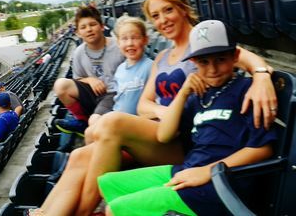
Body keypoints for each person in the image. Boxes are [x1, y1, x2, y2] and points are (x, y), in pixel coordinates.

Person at [32, 0, 279, 216]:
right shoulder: (162, 56)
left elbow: (250, 60)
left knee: (111, 123)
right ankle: (47, 212)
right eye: (156, 16)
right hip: (167, 127)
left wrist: (261, 78)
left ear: (183, 8)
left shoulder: (207, 42)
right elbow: (144, 104)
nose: (163, 20)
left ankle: (84, 213)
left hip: (187, 139)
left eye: (168, 10)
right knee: (80, 156)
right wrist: (169, 109)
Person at [98, 20, 278, 215]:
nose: (212, 69)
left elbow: (262, 149)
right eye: (204, 62)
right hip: (189, 169)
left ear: (234, 56)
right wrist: (183, 92)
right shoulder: (198, 95)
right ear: (193, 63)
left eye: (220, 59)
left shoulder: (248, 91)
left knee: (114, 210)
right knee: (108, 183)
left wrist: (208, 171)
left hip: (221, 184)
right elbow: (164, 135)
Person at [53, 6, 125, 135]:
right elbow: (78, 78)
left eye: (93, 24)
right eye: (83, 27)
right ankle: (82, 122)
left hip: (114, 95)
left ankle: (94, 121)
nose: (89, 29)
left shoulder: (119, 45)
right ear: (78, 33)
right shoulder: (79, 52)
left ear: (102, 26)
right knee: (61, 85)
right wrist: (90, 80)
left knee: (96, 123)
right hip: (94, 94)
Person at [111, 16, 154, 116]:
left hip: (139, 122)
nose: (130, 43)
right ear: (118, 42)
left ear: (145, 40)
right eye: (124, 39)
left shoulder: (150, 67)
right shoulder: (120, 69)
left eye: (135, 38)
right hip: (118, 117)